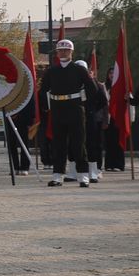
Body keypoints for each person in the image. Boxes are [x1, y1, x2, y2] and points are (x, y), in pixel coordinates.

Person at [38, 39, 100, 187]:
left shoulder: (79, 70)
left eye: (66, 50)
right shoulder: (51, 71)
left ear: (71, 52)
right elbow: (43, 90)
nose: (63, 52)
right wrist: (45, 107)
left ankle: (83, 176)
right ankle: (57, 175)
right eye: (60, 50)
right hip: (57, 110)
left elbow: (92, 89)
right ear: (57, 53)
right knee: (58, 144)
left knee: (78, 144)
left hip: (75, 109)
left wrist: (85, 105)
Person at [78, 60, 108, 183]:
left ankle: (93, 172)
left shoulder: (95, 84)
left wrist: (92, 110)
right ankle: (75, 171)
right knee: (75, 144)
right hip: (76, 117)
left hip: (90, 117)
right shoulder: (72, 83)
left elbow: (103, 101)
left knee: (92, 144)